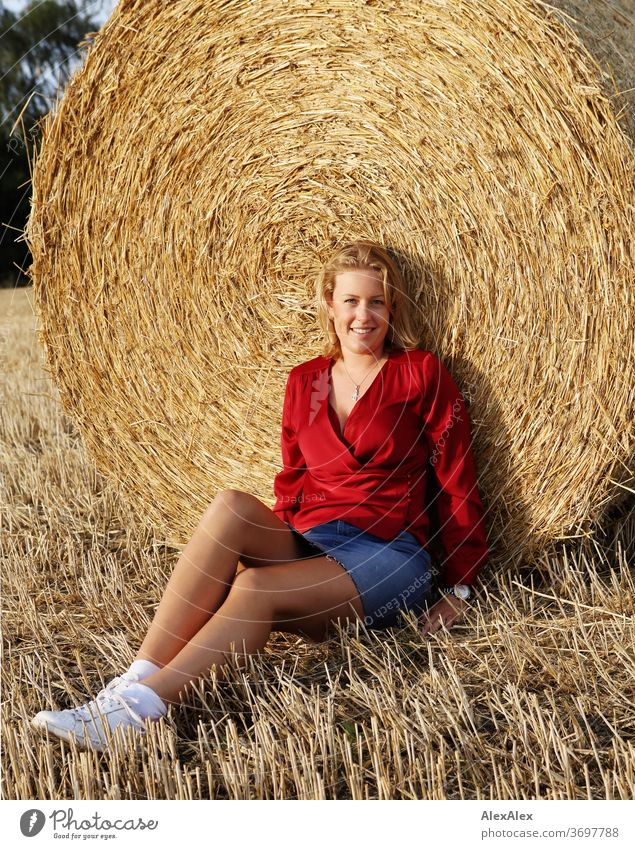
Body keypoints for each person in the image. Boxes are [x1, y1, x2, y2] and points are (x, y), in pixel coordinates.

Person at [31, 239, 489, 751]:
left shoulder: (419, 373)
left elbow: (455, 479)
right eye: (352, 301)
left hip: (390, 553)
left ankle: (138, 714)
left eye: (377, 302)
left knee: (255, 591)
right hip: (317, 540)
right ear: (329, 305)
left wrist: (460, 587)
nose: (364, 315)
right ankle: (133, 681)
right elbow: (293, 483)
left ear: (393, 308)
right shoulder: (306, 382)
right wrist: (280, 556)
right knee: (229, 506)